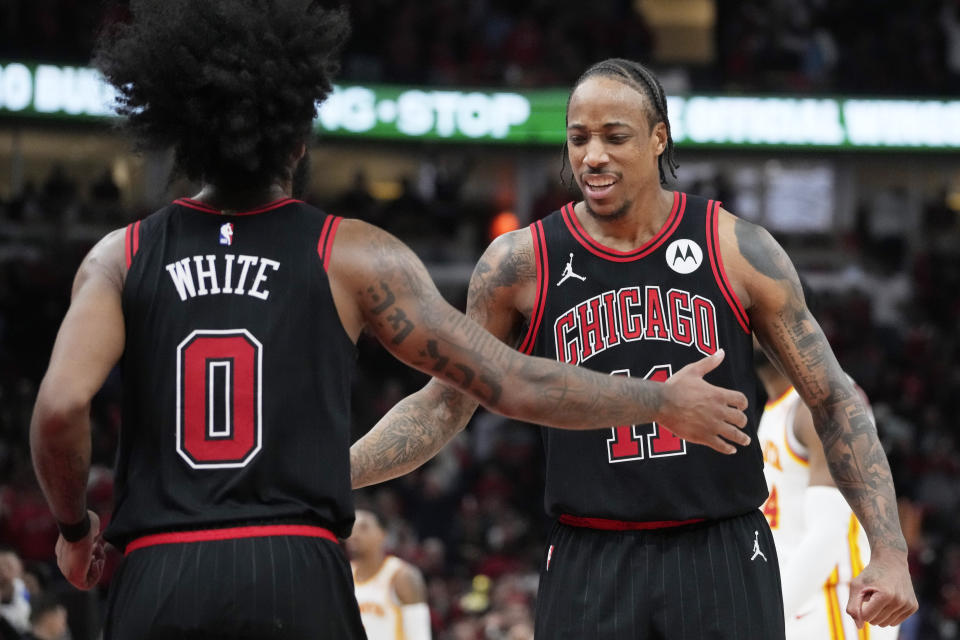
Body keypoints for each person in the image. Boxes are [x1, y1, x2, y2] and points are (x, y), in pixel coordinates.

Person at [28, 6, 750, 638]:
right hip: (294, 562)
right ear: (297, 136)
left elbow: (60, 407)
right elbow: (509, 381)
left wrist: (72, 528)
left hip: (160, 568)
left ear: (178, 134)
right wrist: (658, 400)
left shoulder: (118, 257)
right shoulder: (352, 253)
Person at [350, 57, 918, 638]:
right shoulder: (519, 262)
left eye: (614, 137)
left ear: (657, 139)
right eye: (578, 138)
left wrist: (890, 550)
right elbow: (444, 402)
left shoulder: (737, 248)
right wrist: (334, 471)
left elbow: (834, 398)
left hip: (720, 547)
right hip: (589, 552)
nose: (592, 155)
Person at [755, 285, 900, 640]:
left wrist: (761, 619)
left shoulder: (818, 402)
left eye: (755, 313)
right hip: (802, 604)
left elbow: (827, 536)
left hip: (838, 609)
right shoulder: (777, 408)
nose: (747, 326)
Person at [347, 510, 431, 640]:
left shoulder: (402, 575)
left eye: (363, 528)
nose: (355, 534)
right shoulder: (343, 574)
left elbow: (420, 635)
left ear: (382, 534)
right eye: (351, 528)